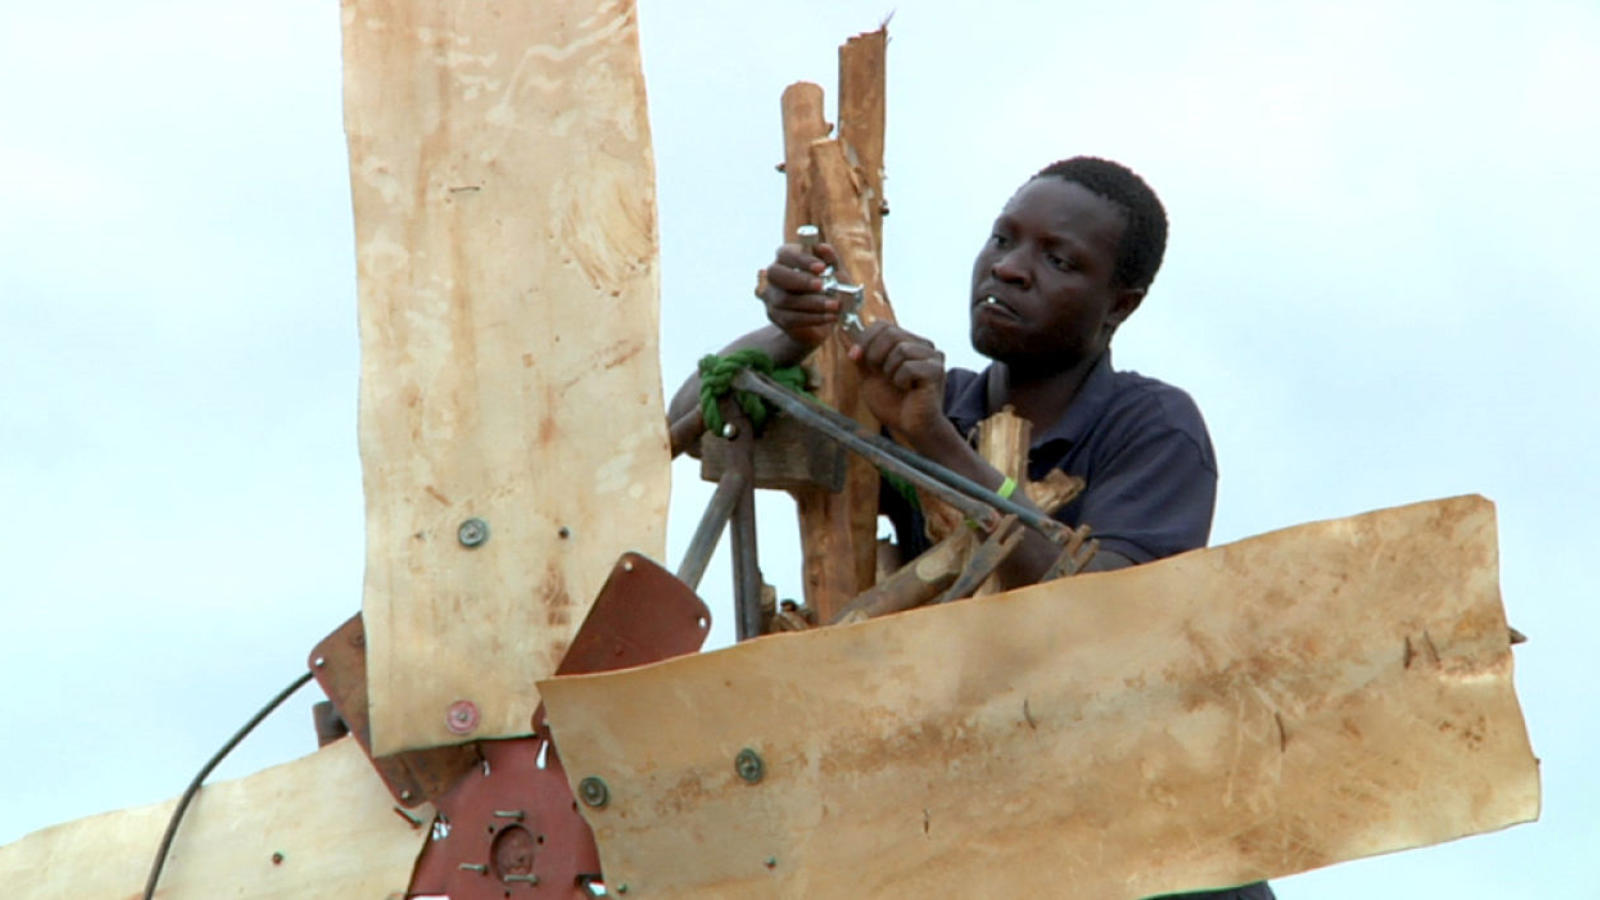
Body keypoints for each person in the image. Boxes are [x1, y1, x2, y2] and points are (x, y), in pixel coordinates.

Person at [671, 156, 1269, 899]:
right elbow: (692, 423)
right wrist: (789, 338)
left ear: (1121, 305)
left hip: (1133, 838)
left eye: (1059, 260)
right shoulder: (913, 396)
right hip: (953, 819)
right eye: (1002, 240)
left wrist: (938, 446)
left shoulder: (1150, 426)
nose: (1011, 270)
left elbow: (1103, 618)